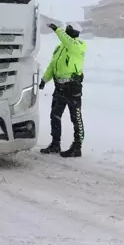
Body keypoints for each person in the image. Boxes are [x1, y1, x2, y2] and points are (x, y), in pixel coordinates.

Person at [39, 22, 87, 157]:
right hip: (59, 87)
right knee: (55, 115)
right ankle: (55, 144)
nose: (66, 32)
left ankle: (77, 147)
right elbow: (52, 65)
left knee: (75, 117)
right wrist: (44, 79)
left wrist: (57, 30)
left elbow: (69, 43)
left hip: (73, 86)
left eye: (68, 30)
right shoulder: (59, 48)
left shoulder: (79, 45)